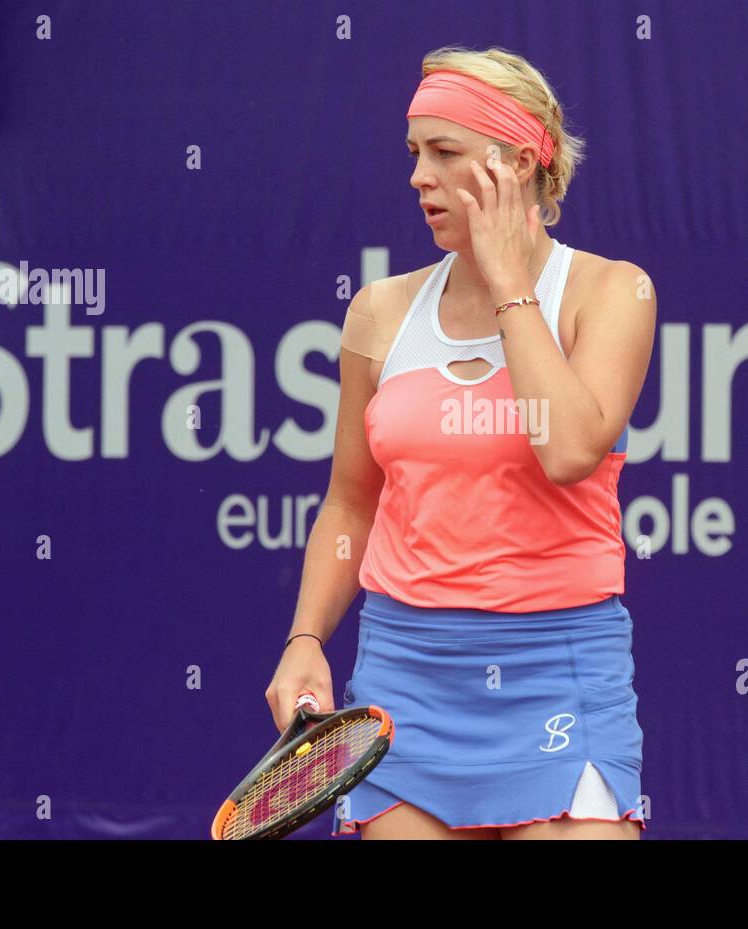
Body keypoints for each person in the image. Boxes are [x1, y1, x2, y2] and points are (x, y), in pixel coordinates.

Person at [265, 45, 656, 839]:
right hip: (407, 679)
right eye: (415, 153)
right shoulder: (379, 312)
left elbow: (569, 448)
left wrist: (509, 280)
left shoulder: (613, 291)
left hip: (563, 671)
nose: (418, 176)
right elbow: (350, 503)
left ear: (521, 162)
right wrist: (306, 638)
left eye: (445, 152)